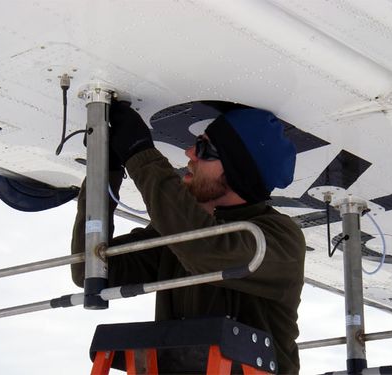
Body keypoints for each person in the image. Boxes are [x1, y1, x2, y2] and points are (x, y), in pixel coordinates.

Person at [71, 101, 306, 374]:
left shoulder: (280, 238)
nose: (189, 152)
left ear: (238, 170)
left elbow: (207, 253)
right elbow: (90, 271)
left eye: (205, 149)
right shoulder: (179, 236)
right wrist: (105, 171)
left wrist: (140, 154)